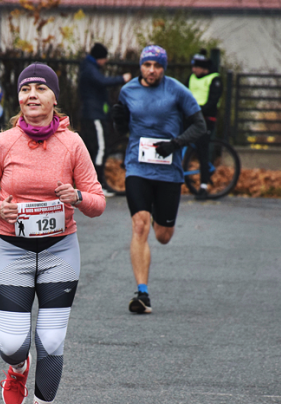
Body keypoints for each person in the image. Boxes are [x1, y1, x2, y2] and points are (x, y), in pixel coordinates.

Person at [0, 63, 105, 404]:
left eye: (41, 88)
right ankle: (16, 369)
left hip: (60, 250)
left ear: (53, 98)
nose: (32, 94)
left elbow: (97, 202)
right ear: (19, 98)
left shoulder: (73, 144)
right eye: (26, 87)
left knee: (51, 338)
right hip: (11, 249)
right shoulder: (4, 142)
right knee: (13, 343)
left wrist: (77, 198)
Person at [111, 45, 207, 314]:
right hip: (137, 167)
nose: (152, 70)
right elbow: (122, 127)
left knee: (163, 236)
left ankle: (156, 216)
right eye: (147, 65)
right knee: (139, 226)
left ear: (164, 68)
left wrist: (175, 144)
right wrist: (118, 121)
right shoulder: (128, 91)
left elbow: (200, 126)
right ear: (140, 66)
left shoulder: (176, 90)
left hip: (168, 170)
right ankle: (142, 294)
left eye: (157, 66)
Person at [78, 43, 132, 197]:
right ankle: (99, 184)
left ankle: (91, 183)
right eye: (104, 58)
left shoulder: (87, 67)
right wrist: (122, 78)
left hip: (94, 113)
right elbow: (102, 81)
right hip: (94, 114)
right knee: (100, 148)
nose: (106, 61)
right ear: (99, 58)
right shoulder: (90, 69)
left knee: (93, 149)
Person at [188, 49, 223, 200]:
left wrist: (197, 111)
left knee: (203, 150)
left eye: (196, 67)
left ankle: (203, 186)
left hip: (206, 119)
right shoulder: (192, 78)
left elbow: (212, 102)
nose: (193, 70)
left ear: (204, 69)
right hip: (190, 116)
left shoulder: (215, 79)